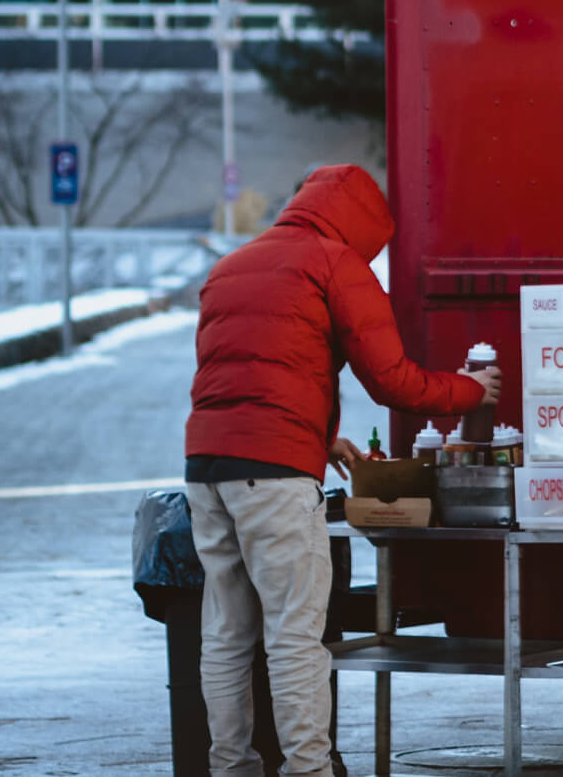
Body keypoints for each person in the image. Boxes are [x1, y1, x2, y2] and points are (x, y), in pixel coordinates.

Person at [185, 164, 500, 777]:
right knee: (294, 635)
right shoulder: (333, 262)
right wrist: (470, 391)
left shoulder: (232, 264)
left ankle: (231, 768)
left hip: (207, 468)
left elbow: (243, 375)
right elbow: (392, 381)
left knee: (225, 633)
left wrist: (321, 435)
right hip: (273, 476)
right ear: (362, 224)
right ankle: (309, 770)